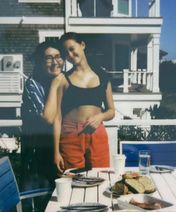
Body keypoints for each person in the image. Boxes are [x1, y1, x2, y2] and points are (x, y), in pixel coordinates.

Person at [51, 32, 115, 173]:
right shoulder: (63, 79)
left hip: (97, 132)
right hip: (71, 134)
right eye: (66, 52)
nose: (70, 55)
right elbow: (57, 117)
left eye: (72, 49)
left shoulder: (103, 76)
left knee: (102, 177)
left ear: (82, 45)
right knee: (73, 181)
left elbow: (111, 111)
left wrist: (100, 117)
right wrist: (56, 152)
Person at [21, 40, 64, 190]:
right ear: (39, 62)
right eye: (48, 58)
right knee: (43, 202)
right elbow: (49, 118)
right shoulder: (32, 85)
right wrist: (55, 84)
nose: (55, 62)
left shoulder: (60, 80)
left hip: (62, 150)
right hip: (38, 157)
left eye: (58, 56)